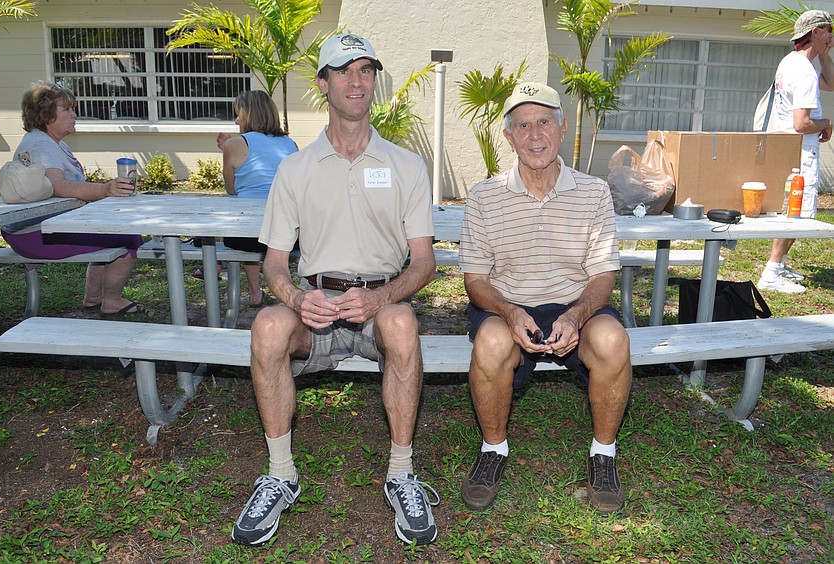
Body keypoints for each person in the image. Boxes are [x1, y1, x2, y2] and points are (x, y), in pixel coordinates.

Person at [232, 34, 440, 547]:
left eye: (365, 70)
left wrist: (381, 297)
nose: (356, 80)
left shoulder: (406, 166)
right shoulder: (295, 169)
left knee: (402, 322)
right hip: (316, 309)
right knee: (267, 326)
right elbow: (276, 264)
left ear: (374, 82)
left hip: (378, 305)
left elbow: (426, 262)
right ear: (323, 84)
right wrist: (298, 299)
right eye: (343, 70)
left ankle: (401, 473)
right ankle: (280, 474)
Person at [458, 82, 632, 515]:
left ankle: (603, 455)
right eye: (523, 125)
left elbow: (603, 274)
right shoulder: (484, 195)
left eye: (544, 122)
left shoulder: (593, 192)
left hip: (576, 305)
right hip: (508, 304)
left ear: (562, 127)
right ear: (509, 137)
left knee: (613, 340)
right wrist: (509, 311)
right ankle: (493, 450)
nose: (535, 135)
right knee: (494, 342)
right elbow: (476, 279)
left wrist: (576, 316)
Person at [0, 81, 143, 316]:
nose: (74, 114)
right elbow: (57, 186)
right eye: (66, 109)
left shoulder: (49, 141)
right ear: (46, 115)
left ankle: (95, 298)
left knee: (108, 234)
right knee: (129, 239)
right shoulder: (42, 145)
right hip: (35, 234)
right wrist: (104, 190)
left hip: (32, 229)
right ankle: (111, 301)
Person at [759, 10, 834, 294]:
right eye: (828, 29)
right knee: (795, 213)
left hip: (787, 149)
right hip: (800, 151)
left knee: (793, 210)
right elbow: (801, 123)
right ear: (814, 32)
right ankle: (771, 272)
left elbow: (831, 84)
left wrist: (825, 54)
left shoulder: (792, 63)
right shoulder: (803, 70)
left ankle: (781, 264)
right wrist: (826, 123)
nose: (832, 35)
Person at [216, 90, 298, 307]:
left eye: (239, 115)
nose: (236, 120)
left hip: (246, 236)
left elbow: (231, 190)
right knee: (260, 221)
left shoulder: (234, 144)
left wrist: (228, 149)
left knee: (241, 220)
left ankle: (254, 292)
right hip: (288, 236)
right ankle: (284, 293)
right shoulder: (291, 145)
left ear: (249, 115)